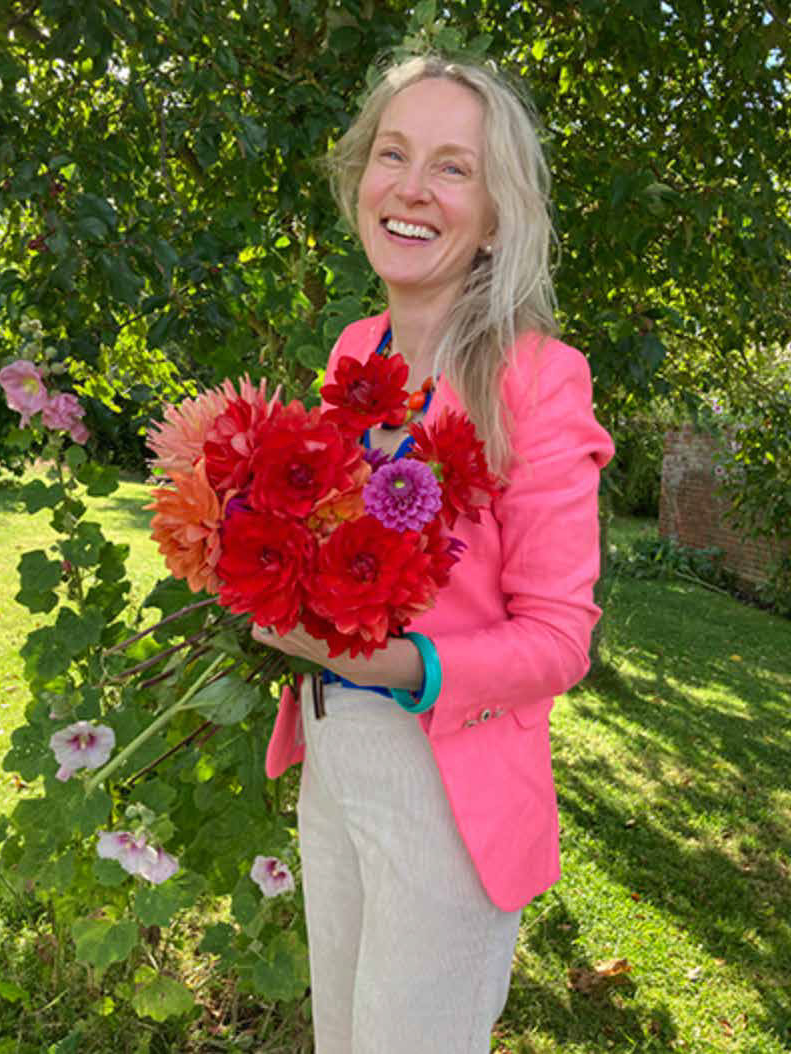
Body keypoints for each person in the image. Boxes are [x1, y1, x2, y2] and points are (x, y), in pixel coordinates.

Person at [255, 53, 615, 1054]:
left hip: (444, 787)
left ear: (497, 215)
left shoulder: (537, 380)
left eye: (452, 168)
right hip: (331, 756)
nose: (411, 187)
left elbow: (558, 639)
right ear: (359, 178)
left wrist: (399, 664)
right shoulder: (352, 348)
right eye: (392, 153)